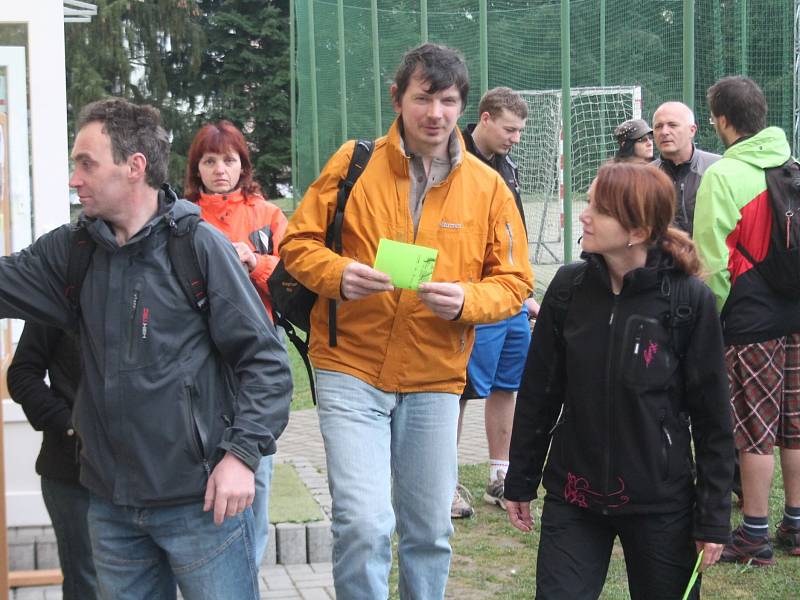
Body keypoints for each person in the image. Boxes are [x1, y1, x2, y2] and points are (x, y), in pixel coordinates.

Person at [0, 98, 292, 600]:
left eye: (86, 163)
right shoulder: (72, 252)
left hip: (202, 505)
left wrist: (242, 456)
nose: (75, 179)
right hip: (112, 508)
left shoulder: (198, 246)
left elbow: (266, 364)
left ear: (135, 167)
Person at [280, 43, 532, 599]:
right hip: (350, 366)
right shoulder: (355, 162)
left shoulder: (489, 188)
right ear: (398, 99)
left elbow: (514, 283)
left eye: (447, 100)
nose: (435, 113)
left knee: (429, 530)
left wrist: (466, 300)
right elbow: (296, 243)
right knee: (365, 524)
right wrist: (339, 274)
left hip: (435, 376)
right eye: (423, 98)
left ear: (463, 106)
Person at [506, 161, 734, 599]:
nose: (585, 214)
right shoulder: (569, 287)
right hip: (574, 496)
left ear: (637, 228)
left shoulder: (689, 300)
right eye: (589, 201)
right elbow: (540, 391)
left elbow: (713, 420)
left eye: (600, 208)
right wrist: (521, 478)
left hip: (660, 504)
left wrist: (712, 517)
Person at [694, 75, 800, 565]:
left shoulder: (722, 175)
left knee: (754, 422)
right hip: (796, 311)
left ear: (721, 121)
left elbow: (712, 261)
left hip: (750, 318)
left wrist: (707, 320)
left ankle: (754, 532)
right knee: (794, 422)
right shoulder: (792, 164)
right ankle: (795, 524)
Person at [184, 120, 288, 567]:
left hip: (254, 353)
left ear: (243, 164)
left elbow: (295, 278)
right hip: (197, 357)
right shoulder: (182, 215)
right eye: (209, 160)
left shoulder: (267, 214)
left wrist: (256, 262)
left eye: (228, 160)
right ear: (197, 168)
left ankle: (248, 569)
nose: (219, 169)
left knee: (255, 464)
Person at [453, 86, 539, 518]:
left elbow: (515, 236)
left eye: (520, 130)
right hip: (470, 300)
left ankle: (499, 477)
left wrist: (526, 293)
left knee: (508, 385)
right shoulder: (451, 159)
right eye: (509, 129)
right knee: (460, 390)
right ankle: (443, 482)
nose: (516, 138)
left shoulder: (509, 166)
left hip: (511, 301)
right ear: (484, 119)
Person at [7, 323, 98, 600]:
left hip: (143, 474)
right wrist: (70, 425)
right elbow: (22, 373)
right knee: (89, 583)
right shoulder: (59, 291)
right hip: (73, 474)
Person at [652, 101, 720, 235]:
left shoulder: (718, 168)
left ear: (692, 130)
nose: (664, 132)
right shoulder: (645, 176)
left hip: (707, 255)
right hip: (660, 255)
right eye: (658, 126)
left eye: (672, 125)